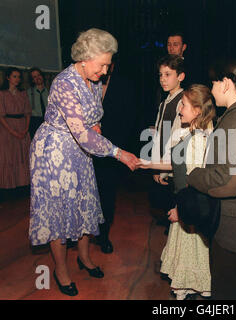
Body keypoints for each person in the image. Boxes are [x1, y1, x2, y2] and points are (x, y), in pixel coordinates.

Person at [28, 28, 138, 297]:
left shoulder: (95, 79)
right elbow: (80, 132)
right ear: (86, 58)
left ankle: (85, 258)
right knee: (60, 212)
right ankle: (61, 270)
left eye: (107, 66)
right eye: (102, 65)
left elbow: (92, 115)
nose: (104, 71)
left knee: (84, 204)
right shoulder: (64, 83)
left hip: (81, 151)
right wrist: (120, 153)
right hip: (54, 154)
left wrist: (96, 124)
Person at [187, 52, 236, 300]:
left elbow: (229, 182)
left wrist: (194, 174)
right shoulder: (235, 115)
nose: (212, 88)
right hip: (230, 225)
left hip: (235, 231)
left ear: (227, 83)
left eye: (214, 83)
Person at [139, 84, 215, 300]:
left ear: (197, 111)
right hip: (183, 204)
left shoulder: (199, 140)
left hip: (189, 209)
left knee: (192, 259)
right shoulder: (191, 133)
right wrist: (147, 164)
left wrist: (179, 209)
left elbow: (194, 182)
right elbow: (177, 164)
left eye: (184, 105)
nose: (179, 109)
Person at [93, 58, 136, 254]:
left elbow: (128, 119)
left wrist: (117, 150)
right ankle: (82, 235)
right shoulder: (87, 83)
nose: (104, 69)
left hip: (111, 152)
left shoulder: (124, 86)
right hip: (85, 150)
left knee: (107, 195)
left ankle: (103, 236)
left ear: (113, 65)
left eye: (107, 64)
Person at [148, 55, 185, 231]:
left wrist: (163, 169)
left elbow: (177, 140)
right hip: (163, 165)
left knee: (177, 215)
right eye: (161, 75)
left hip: (174, 168)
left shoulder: (182, 102)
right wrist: (157, 167)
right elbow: (158, 137)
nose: (163, 79)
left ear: (180, 76)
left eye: (168, 74)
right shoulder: (164, 103)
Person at [0, 67, 31, 199]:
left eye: (18, 77)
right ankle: (9, 191)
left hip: (22, 127)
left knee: (23, 157)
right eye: (14, 76)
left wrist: (25, 129)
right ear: (8, 77)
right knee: (9, 157)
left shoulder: (23, 93)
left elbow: (28, 113)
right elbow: (1, 116)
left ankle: (23, 187)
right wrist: (12, 131)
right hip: (7, 129)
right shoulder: (2, 94)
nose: (17, 79)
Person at [27, 67, 49, 139]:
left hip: (48, 121)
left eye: (39, 75)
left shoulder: (49, 91)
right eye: (34, 77)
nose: (37, 78)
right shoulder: (28, 93)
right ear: (32, 80)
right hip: (35, 122)